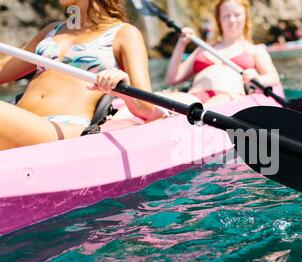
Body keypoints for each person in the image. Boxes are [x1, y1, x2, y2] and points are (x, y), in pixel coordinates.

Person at [0, 0, 165, 151]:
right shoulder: (51, 31)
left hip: (62, 127)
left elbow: (148, 108)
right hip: (19, 119)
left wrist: (124, 86)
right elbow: (3, 69)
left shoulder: (124, 34)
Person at [165, 0, 280, 107]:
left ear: (246, 17)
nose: (232, 20)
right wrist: (181, 44)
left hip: (227, 98)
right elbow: (172, 79)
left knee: (211, 105)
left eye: (237, 15)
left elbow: (274, 77)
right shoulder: (204, 48)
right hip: (192, 98)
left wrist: (258, 79)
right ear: (219, 19)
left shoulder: (255, 50)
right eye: (226, 16)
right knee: (161, 101)